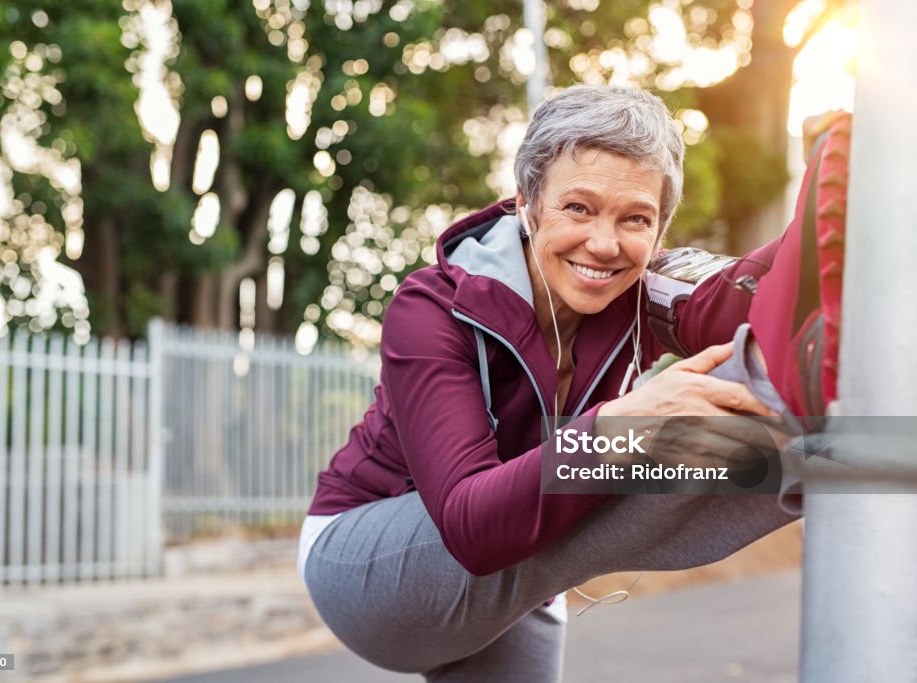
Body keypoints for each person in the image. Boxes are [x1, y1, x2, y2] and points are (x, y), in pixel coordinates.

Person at [298, 84, 849, 681]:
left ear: (659, 229)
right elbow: (470, 524)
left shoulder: (643, 290)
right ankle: (860, 450)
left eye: (634, 218)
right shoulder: (434, 305)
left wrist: (851, 190)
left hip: (525, 575)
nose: (604, 244)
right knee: (661, 434)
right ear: (528, 206)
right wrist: (619, 432)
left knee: (698, 402)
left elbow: (744, 297)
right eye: (579, 208)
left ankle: (856, 445)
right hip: (370, 565)